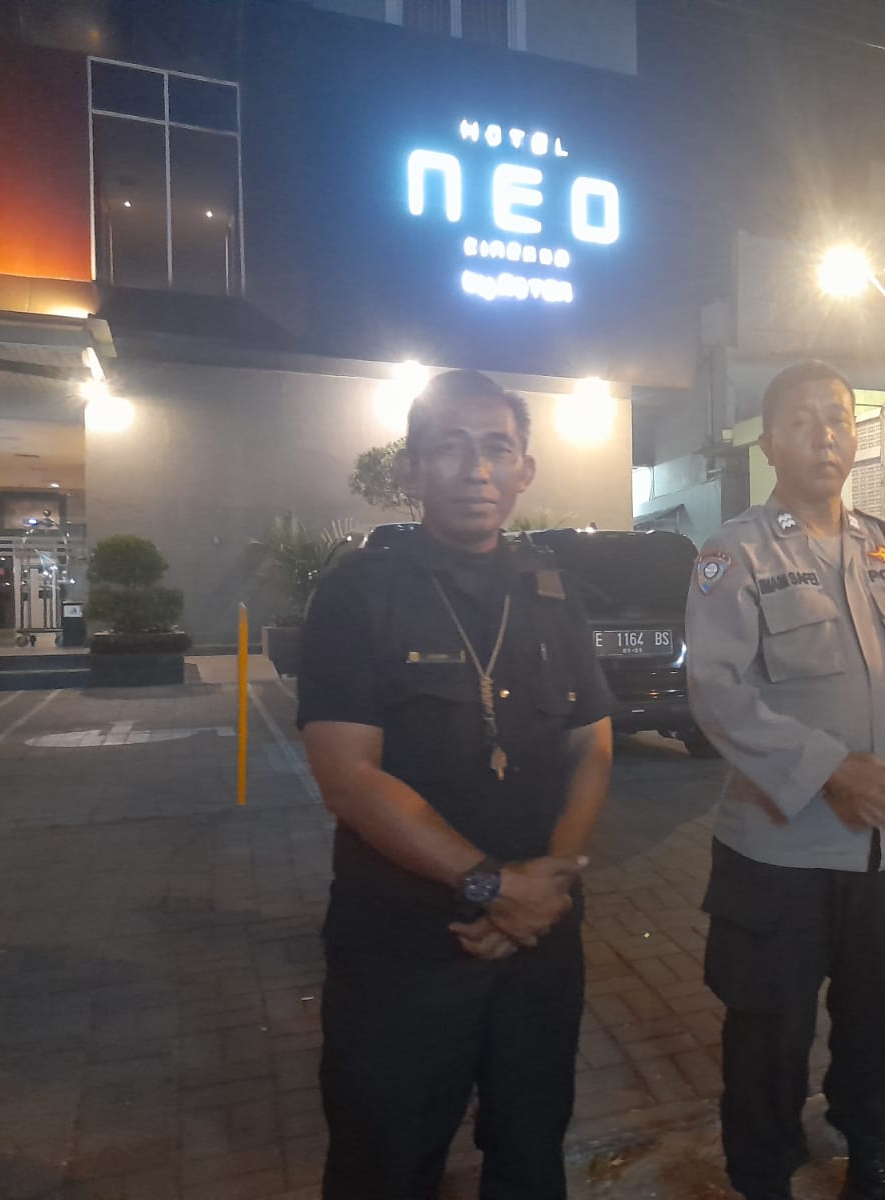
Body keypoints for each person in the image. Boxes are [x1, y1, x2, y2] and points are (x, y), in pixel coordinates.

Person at [299, 369, 615, 1200]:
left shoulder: (553, 593)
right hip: (404, 946)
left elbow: (591, 747)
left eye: (497, 448)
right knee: (384, 1164)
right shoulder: (358, 594)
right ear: (410, 470)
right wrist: (490, 887)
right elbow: (347, 774)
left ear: (524, 471)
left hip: (539, 945)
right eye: (451, 447)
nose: (476, 469)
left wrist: (545, 886)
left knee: (531, 1155)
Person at [685, 360, 885, 1200]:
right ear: (769, 444)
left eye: (840, 418)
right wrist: (829, 771)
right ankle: (762, 1178)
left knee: (878, 1021)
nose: (826, 436)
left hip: (884, 852)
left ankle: (874, 1160)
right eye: (804, 420)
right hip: (778, 854)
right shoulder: (733, 554)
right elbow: (716, 691)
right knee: (768, 1032)